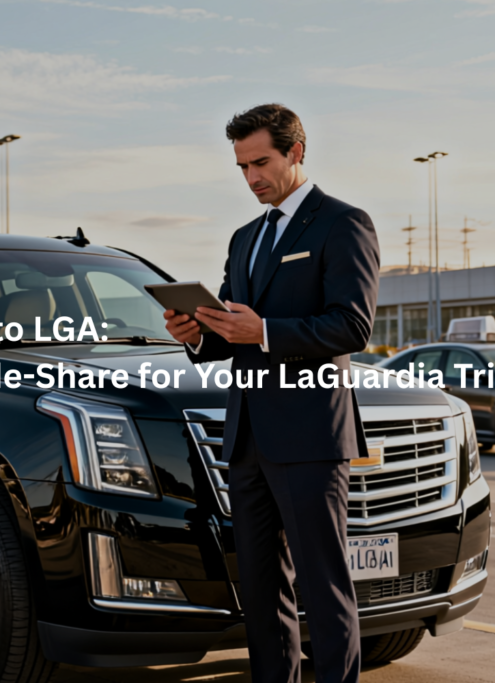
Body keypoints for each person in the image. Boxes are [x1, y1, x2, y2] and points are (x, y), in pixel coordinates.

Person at [164, 103, 379, 683]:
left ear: (296, 152)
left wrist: (264, 331)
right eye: (242, 166)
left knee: (323, 585)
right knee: (261, 591)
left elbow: (353, 325)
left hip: (310, 435)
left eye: (261, 162)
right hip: (247, 438)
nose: (251, 176)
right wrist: (196, 334)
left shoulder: (343, 223)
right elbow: (228, 333)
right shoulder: (244, 239)